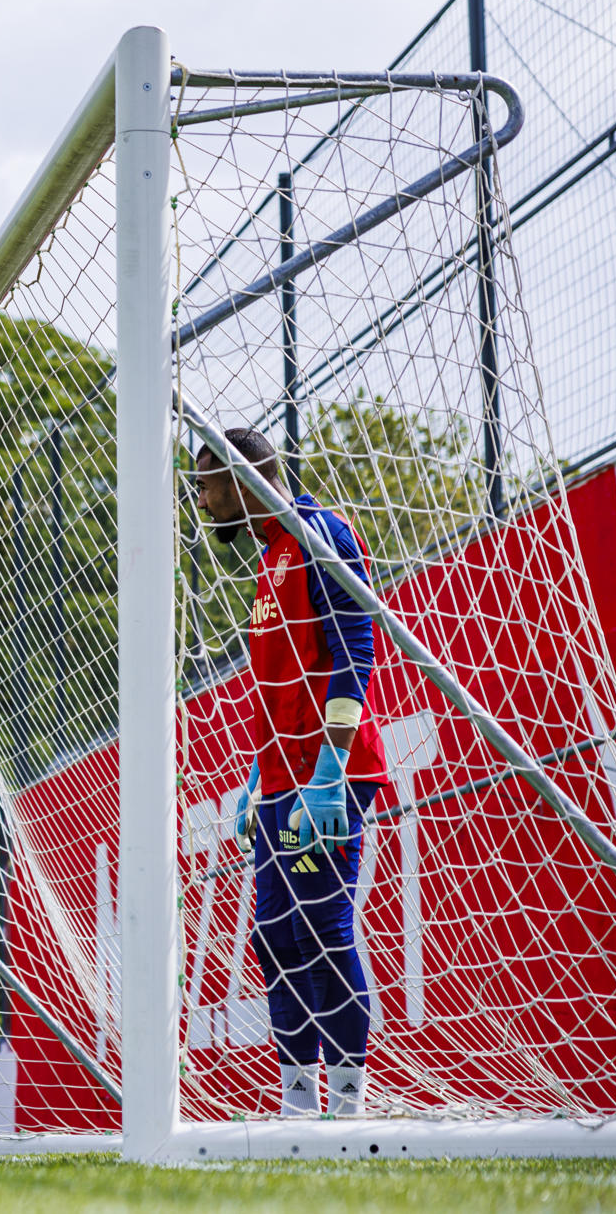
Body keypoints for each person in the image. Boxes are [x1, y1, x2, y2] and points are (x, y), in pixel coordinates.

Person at [193, 427, 391, 1118]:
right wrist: (256, 775)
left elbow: (357, 646)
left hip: (325, 778)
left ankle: (347, 1104)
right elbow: (280, 685)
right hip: (280, 782)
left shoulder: (318, 533)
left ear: (245, 481)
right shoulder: (268, 560)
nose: (202, 499)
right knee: (272, 937)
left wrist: (331, 768)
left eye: (208, 484)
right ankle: (298, 1106)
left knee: (320, 924)